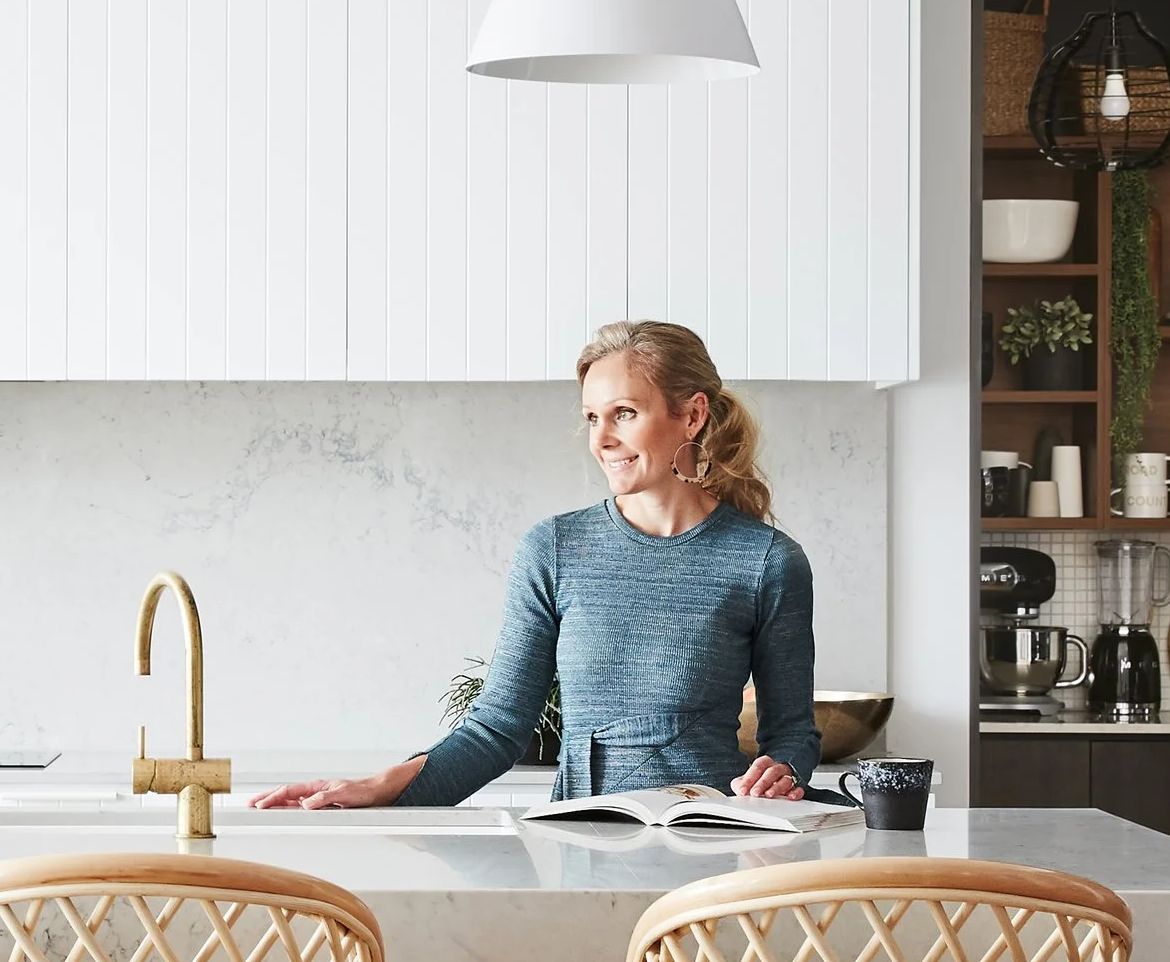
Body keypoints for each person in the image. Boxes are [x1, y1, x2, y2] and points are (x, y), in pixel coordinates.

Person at [252, 319, 818, 810]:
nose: (603, 439)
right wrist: (379, 787)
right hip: (580, 841)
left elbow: (791, 733)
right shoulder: (555, 548)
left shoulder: (767, 561)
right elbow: (497, 729)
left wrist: (783, 771)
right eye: (593, 418)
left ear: (691, 416)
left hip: (712, 842)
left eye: (625, 413)